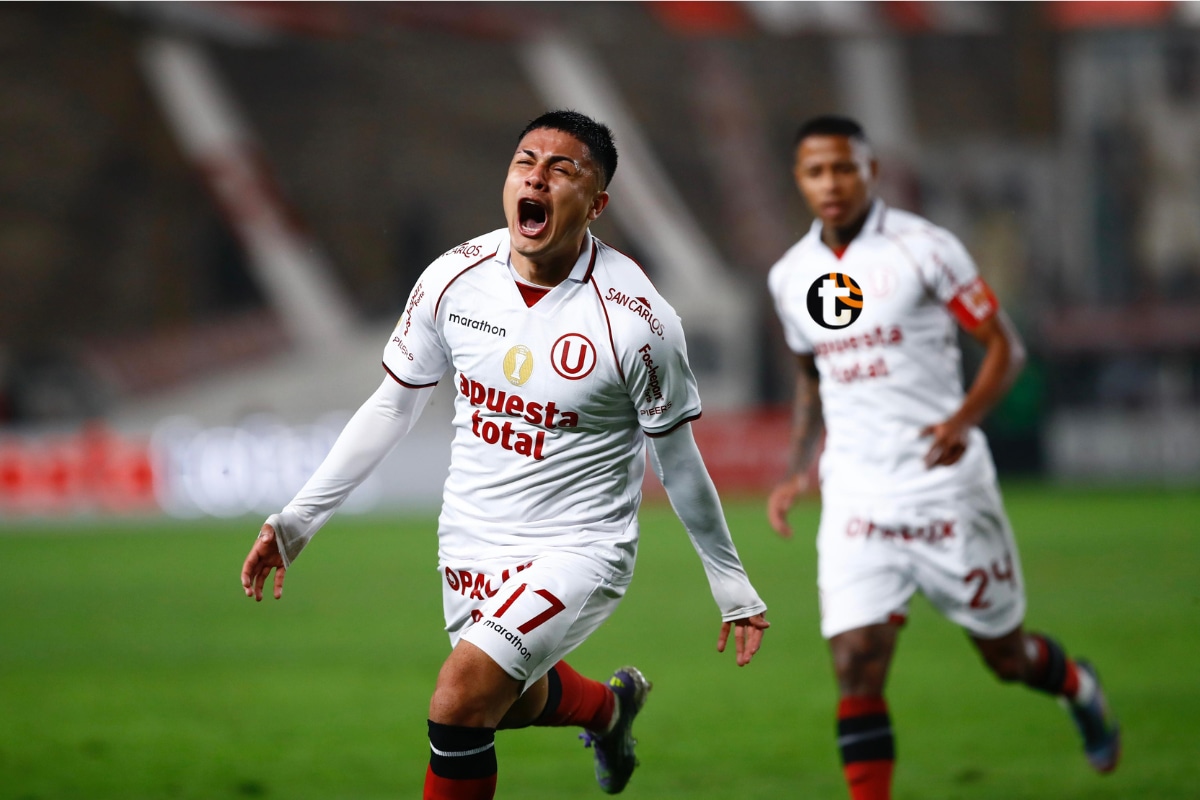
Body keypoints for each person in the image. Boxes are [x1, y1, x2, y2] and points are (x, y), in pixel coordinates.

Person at [240, 109, 769, 800]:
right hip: (471, 535)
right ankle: (610, 712)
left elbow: (677, 458)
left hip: (580, 544)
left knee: (459, 695)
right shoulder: (453, 280)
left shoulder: (638, 321)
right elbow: (393, 405)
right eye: (527, 162)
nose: (538, 177)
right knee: (503, 702)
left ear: (597, 203)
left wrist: (729, 581)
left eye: (563, 169)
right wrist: (297, 520)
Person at [765, 115, 1119, 800]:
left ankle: (1077, 685)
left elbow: (1004, 347)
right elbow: (811, 375)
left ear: (872, 171)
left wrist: (961, 420)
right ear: (800, 181)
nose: (831, 183)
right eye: (816, 171)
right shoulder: (790, 276)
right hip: (857, 496)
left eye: (845, 167)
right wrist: (795, 468)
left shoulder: (925, 248)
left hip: (943, 488)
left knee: (1005, 657)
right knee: (855, 663)